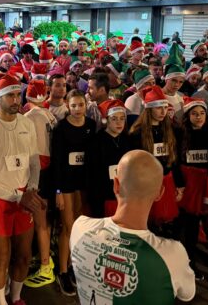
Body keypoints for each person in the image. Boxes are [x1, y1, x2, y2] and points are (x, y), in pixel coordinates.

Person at [70, 150, 195, 304]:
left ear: (116, 185)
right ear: (160, 193)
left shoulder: (80, 228)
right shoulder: (174, 254)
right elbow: (187, 294)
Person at [0, 73, 43, 305]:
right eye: (10, 96)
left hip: (24, 196)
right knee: (1, 258)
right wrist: (17, 196)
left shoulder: (27, 123)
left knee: (23, 255)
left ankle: (15, 297)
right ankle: (0, 301)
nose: (16, 100)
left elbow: (34, 162)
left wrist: (32, 188)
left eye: (17, 95)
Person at [52, 89, 97, 296]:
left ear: (86, 105)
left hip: (84, 183)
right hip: (66, 183)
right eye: (73, 106)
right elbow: (57, 161)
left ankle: (72, 265)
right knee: (68, 228)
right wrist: (58, 190)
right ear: (67, 106)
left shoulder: (91, 125)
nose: (78, 109)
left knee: (79, 227)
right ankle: (62, 270)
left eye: (81, 105)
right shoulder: (61, 128)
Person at [177, 97, 208, 280]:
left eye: (202, 113)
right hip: (187, 183)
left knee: (196, 222)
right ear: (188, 116)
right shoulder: (180, 134)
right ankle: (182, 261)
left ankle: (191, 259)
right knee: (184, 223)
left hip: (205, 183)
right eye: (194, 113)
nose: (199, 117)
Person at [128, 86, 184, 231]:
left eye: (165, 107)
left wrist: (179, 183)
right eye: (158, 108)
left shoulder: (170, 130)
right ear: (149, 109)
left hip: (167, 181)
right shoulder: (137, 134)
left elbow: (174, 159)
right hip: (147, 184)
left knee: (166, 223)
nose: (163, 112)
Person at [23, 80, 58, 289]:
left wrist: (32, 182)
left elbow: (36, 155)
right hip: (49, 172)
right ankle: (46, 259)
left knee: (40, 223)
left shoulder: (31, 116)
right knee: (45, 222)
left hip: (39, 172)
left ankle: (45, 267)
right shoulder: (49, 114)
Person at [86, 99, 129, 218]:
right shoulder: (96, 142)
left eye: (122, 118)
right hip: (103, 198)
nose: (119, 122)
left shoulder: (127, 140)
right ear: (106, 120)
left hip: (124, 195)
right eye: (114, 119)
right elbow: (92, 174)